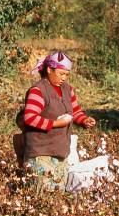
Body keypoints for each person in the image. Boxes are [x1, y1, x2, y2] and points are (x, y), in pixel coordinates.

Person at [23, 51, 96, 192]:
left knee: (57, 196)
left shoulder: (68, 90)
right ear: (49, 69)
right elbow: (30, 118)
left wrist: (84, 120)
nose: (64, 78)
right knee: (43, 197)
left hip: (61, 152)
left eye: (67, 74)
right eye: (61, 74)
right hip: (41, 153)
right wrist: (56, 124)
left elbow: (75, 112)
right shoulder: (38, 91)